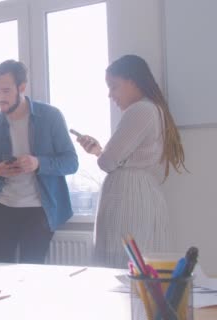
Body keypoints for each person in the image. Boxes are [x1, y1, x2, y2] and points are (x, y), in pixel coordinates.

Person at [75, 54, 186, 268]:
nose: (111, 95)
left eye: (114, 86)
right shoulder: (154, 110)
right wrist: (99, 151)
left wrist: (103, 155)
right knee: (141, 268)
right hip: (140, 194)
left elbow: (108, 163)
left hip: (129, 198)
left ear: (132, 81)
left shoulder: (140, 110)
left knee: (123, 268)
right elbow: (124, 159)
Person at [0, 59, 78, 263]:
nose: (0, 97)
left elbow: (71, 162)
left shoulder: (50, 117)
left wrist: (38, 163)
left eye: (6, 91)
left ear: (22, 87)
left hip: (39, 211)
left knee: (32, 277)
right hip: (3, 209)